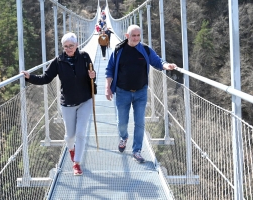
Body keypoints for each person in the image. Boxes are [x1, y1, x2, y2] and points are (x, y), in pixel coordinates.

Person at [21, 32, 96, 175]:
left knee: (80, 133)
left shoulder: (85, 57)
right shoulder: (58, 61)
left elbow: (92, 75)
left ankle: (77, 163)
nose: (68, 48)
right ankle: (71, 148)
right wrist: (30, 77)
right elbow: (46, 78)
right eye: (65, 46)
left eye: (71, 46)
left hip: (85, 100)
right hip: (68, 103)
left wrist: (93, 75)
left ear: (77, 45)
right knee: (70, 135)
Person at [105, 25, 177, 163]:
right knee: (122, 122)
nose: (136, 38)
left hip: (141, 92)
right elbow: (110, 69)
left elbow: (157, 61)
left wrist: (166, 66)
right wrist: (107, 87)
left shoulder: (145, 49)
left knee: (140, 123)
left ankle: (136, 150)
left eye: (138, 35)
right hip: (122, 92)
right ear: (127, 36)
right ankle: (123, 137)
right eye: (133, 35)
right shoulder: (119, 50)